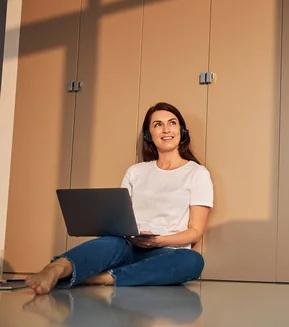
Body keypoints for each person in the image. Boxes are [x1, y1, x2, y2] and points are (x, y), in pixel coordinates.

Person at [25, 102, 213, 295]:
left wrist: (158, 241)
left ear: (181, 130)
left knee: (192, 261)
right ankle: (55, 269)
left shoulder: (197, 173)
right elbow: (120, 217)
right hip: (127, 244)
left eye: (172, 123)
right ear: (149, 135)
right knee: (109, 243)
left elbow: (195, 232)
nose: (166, 129)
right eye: (157, 124)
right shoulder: (135, 172)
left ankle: (99, 277)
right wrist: (127, 234)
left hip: (167, 251)